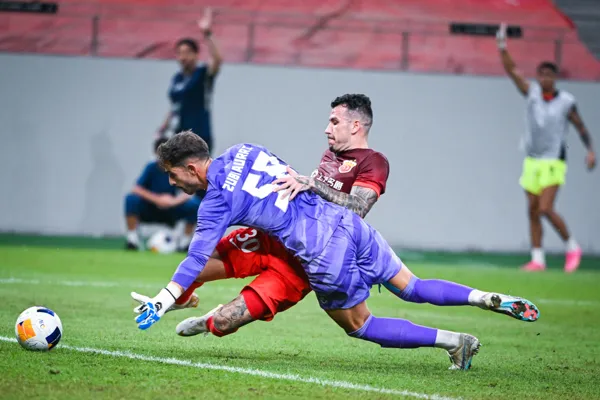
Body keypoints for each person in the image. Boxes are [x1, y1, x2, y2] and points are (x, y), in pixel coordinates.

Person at [131, 132, 540, 371]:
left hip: (320, 251)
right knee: (411, 286)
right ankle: (481, 297)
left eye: (172, 176)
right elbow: (283, 175)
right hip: (344, 222)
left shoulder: (215, 202)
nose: (173, 185)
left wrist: (163, 299)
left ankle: (454, 341)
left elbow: (195, 258)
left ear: (189, 167)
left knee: (360, 325)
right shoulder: (244, 149)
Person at [134, 94, 390, 332]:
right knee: (200, 266)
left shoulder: (373, 162)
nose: (328, 129)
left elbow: (358, 207)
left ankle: (205, 318)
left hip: (307, 259)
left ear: (356, 125)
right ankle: (183, 297)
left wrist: (161, 300)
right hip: (269, 240)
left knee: (224, 321)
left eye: (335, 122)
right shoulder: (244, 149)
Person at [496, 23, 596, 273]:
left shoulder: (566, 102)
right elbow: (513, 72)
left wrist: (590, 149)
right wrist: (502, 47)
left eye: (549, 75)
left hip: (554, 160)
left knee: (546, 208)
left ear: (555, 78)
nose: (545, 79)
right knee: (532, 210)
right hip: (532, 159)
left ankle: (572, 246)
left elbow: (580, 125)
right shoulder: (532, 94)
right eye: (542, 75)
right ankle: (538, 259)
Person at [157, 7, 222, 154]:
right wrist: (163, 128)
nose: (183, 57)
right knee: (178, 175)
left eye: (187, 53)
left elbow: (217, 60)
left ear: (196, 54)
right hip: (179, 136)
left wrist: (208, 34)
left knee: (197, 175)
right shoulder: (177, 79)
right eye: (179, 53)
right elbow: (174, 106)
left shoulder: (202, 74)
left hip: (200, 136)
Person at [124, 137, 200, 251]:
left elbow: (191, 191)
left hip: (172, 209)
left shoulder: (180, 168)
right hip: (151, 208)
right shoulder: (151, 167)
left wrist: (173, 201)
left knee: (195, 205)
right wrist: (157, 199)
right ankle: (132, 240)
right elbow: (136, 188)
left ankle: (184, 243)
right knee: (130, 200)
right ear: (155, 153)